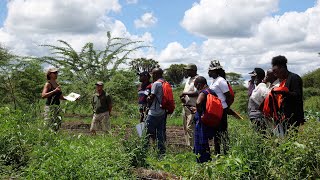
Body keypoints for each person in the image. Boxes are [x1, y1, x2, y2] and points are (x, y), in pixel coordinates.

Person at [271, 55, 305, 129]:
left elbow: (298, 95)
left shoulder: (294, 78)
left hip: (294, 118)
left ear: (282, 68)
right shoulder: (283, 81)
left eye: (275, 71)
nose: (275, 74)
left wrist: (284, 92)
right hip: (285, 118)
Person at [208, 60, 233, 155]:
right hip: (216, 111)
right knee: (216, 132)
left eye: (210, 71)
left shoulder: (221, 81)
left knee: (223, 132)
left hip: (222, 110)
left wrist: (226, 107)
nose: (209, 72)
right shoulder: (214, 81)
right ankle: (217, 153)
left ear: (215, 71)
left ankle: (226, 152)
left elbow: (228, 96)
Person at [192, 76, 217, 163]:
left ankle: (202, 162)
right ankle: (208, 161)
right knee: (206, 142)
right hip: (209, 120)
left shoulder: (203, 92)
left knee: (200, 142)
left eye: (196, 86)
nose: (196, 88)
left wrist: (198, 112)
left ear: (199, 85)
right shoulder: (212, 91)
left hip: (201, 121)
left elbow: (198, 102)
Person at [146, 68, 167, 156]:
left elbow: (152, 97)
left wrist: (147, 99)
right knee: (160, 133)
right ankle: (161, 153)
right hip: (162, 111)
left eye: (153, 74)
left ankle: (144, 150)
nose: (152, 76)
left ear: (155, 74)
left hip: (154, 112)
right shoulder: (165, 83)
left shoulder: (156, 83)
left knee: (146, 132)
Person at [180, 63, 198, 147]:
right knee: (186, 128)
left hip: (192, 107)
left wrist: (184, 93)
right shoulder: (188, 80)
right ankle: (189, 147)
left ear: (193, 70)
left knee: (190, 128)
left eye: (188, 70)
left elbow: (197, 92)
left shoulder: (197, 79)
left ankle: (193, 148)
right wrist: (183, 98)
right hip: (186, 106)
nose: (186, 71)